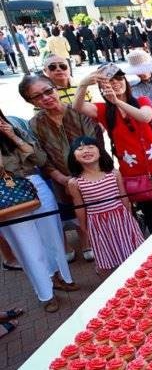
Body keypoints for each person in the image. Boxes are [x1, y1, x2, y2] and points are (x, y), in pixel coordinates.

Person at [73, 64, 152, 233]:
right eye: (109, 81)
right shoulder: (103, 110)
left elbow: (145, 117)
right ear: (102, 87)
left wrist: (117, 102)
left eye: (119, 78)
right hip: (133, 174)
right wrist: (83, 84)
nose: (116, 83)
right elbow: (77, 107)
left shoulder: (141, 100)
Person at [0, 109, 77, 314]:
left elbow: (40, 159)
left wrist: (13, 136)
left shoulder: (14, 126)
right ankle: (46, 293)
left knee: (53, 237)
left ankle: (62, 278)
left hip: (35, 184)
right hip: (6, 195)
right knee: (28, 248)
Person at [20, 73, 102, 262]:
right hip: (60, 179)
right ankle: (79, 240)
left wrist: (84, 176)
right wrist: (61, 178)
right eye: (37, 96)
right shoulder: (35, 124)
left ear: (56, 89)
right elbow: (42, 159)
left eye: (48, 91)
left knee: (92, 209)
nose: (46, 97)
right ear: (30, 101)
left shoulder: (78, 111)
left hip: (90, 174)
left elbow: (94, 142)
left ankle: (88, 240)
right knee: (70, 210)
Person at [67, 136, 143, 274]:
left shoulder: (114, 173)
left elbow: (124, 197)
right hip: (98, 223)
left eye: (90, 147)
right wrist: (84, 228)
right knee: (106, 254)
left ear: (100, 151)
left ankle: (136, 275)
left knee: (130, 248)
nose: (86, 150)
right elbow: (79, 207)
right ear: (73, 156)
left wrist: (130, 217)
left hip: (121, 218)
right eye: (80, 148)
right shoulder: (75, 182)